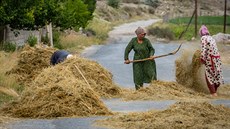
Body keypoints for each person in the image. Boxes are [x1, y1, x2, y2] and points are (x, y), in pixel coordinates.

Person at [199, 25, 224, 96]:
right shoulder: (211, 38)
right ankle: (215, 90)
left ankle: (213, 93)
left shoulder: (203, 38)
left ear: (201, 33)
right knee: (216, 74)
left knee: (208, 75)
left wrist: (202, 58)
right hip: (217, 58)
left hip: (210, 59)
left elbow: (204, 49)